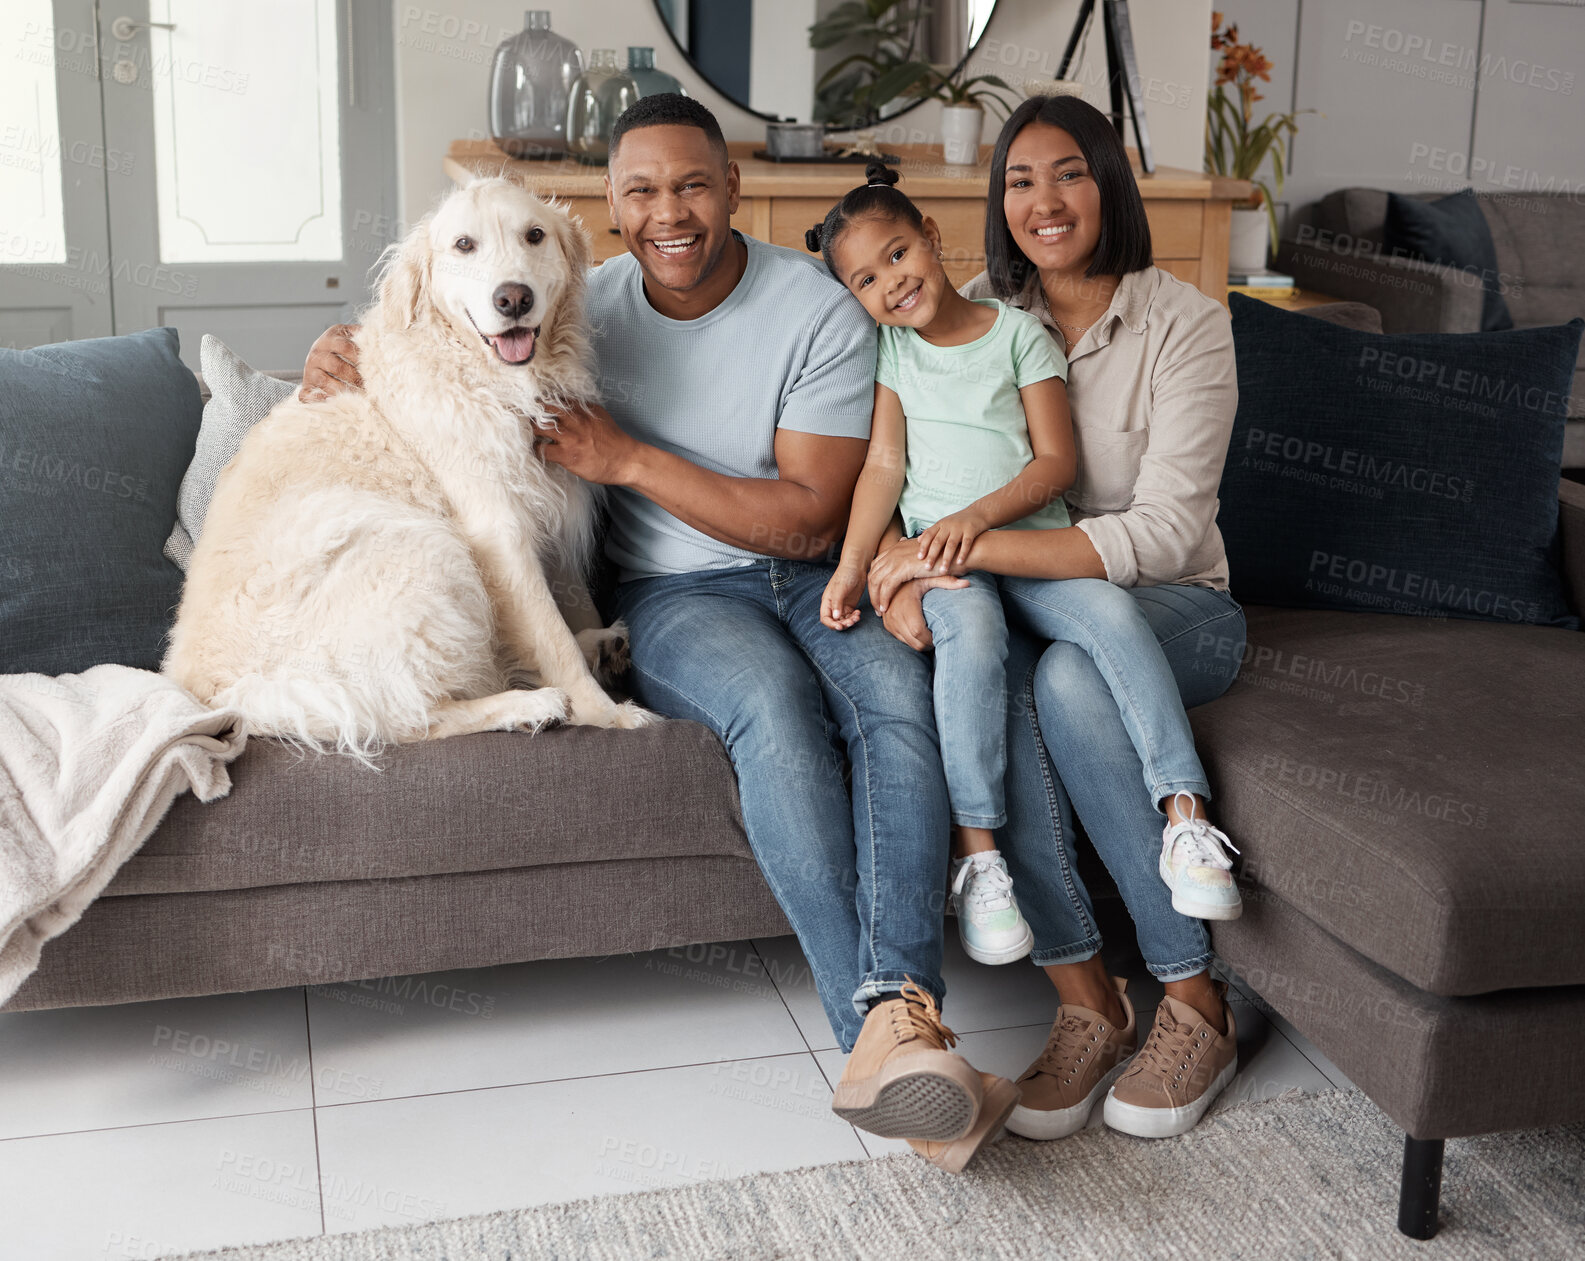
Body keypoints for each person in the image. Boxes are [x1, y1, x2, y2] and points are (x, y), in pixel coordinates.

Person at [300, 94, 1015, 1172]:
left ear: (734, 189)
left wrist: (627, 459)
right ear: (610, 210)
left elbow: (814, 514)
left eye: (691, 184)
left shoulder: (814, 310)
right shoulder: (572, 298)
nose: (667, 212)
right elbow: (435, 334)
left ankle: (895, 1027)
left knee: (894, 711)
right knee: (773, 714)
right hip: (677, 597)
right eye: (640, 191)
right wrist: (337, 349)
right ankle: (894, 1042)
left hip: (819, 572)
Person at [866, 95, 1249, 1142]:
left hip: (1173, 610)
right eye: (1019, 180)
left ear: (1110, 184)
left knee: (1070, 676)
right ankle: (1086, 1000)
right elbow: (899, 463)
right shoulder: (971, 316)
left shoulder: (1188, 323)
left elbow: (1165, 531)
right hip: (1027, 606)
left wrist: (964, 545)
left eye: (1069, 172)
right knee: (1004, 677)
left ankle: (1193, 999)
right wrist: (898, 576)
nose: (1044, 200)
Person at [806, 161, 1070, 970]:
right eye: (863, 278)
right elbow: (882, 467)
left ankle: (1180, 812)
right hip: (935, 560)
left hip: (1010, 539)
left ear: (931, 236)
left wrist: (960, 528)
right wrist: (857, 566)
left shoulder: (1018, 333)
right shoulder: (892, 352)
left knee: (1102, 628)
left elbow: (1054, 463)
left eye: (896, 255)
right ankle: (979, 853)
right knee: (971, 630)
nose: (889, 282)